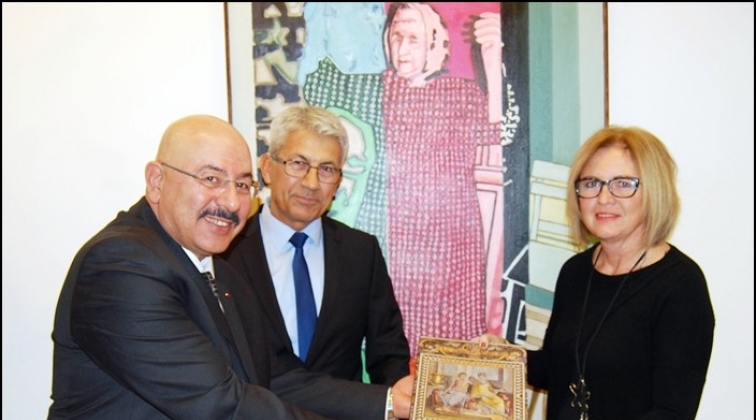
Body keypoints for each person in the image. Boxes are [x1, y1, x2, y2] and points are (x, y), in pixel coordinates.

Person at [47, 114, 413, 420]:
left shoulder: (215, 268)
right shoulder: (122, 265)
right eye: (211, 179)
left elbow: (273, 376)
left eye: (242, 184)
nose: (231, 201)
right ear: (157, 181)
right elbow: (221, 403)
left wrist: (390, 402)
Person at [302, 1, 504, 359]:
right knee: (392, 337)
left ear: (434, 44)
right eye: (396, 36)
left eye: (413, 38)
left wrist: (492, 57)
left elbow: (496, 135)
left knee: (450, 347)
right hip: (395, 235)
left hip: (451, 240)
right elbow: (319, 86)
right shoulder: (377, 89)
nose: (402, 47)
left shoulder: (461, 94)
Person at [481, 126, 715, 419]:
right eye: (591, 183)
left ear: (655, 192)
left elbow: (672, 413)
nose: (603, 198)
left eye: (623, 184)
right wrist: (504, 355)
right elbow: (556, 368)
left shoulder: (680, 285)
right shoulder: (575, 272)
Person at [222, 105, 411, 385]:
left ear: (338, 182)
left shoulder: (361, 253)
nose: (311, 183)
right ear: (268, 168)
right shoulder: (226, 253)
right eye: (298, 164)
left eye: (326, 169)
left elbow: (389, 357)